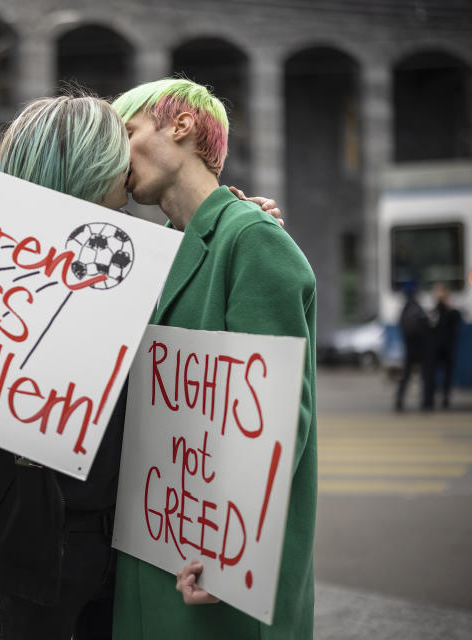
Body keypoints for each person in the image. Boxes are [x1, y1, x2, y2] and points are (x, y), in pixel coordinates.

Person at [0, 94, 284, 640]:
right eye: (116, 149)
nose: (129, 163)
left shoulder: (142, 256)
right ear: (84, 163)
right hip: (28, 555)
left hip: (130, 552)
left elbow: (203, 391)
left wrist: (233, 224)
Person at [110, 78, 317, 639]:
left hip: (214, 567)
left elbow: (273, 421)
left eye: (127, 133)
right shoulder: (165, 250)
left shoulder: (251, 238)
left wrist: (228, 550)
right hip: (162, 552)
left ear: (180, 127)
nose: (116, 156)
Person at [394, 280, 432, 411]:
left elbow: (402, 327)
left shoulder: (406, 308)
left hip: (410, 348)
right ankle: (426, 403)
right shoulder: (416, 308)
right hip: (419, 348)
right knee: (424, 376)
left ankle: (399, 402)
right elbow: (422, 327)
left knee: (406, 377)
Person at [428, 282, 461, 409]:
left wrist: (448, 305)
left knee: (448, 375)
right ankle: (431, 399)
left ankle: (445, 399)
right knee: (433, 375)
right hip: (436, 348)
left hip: (448, 348)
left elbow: (457, 320)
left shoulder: (451, 311)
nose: (440, 295)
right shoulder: (434, 311)